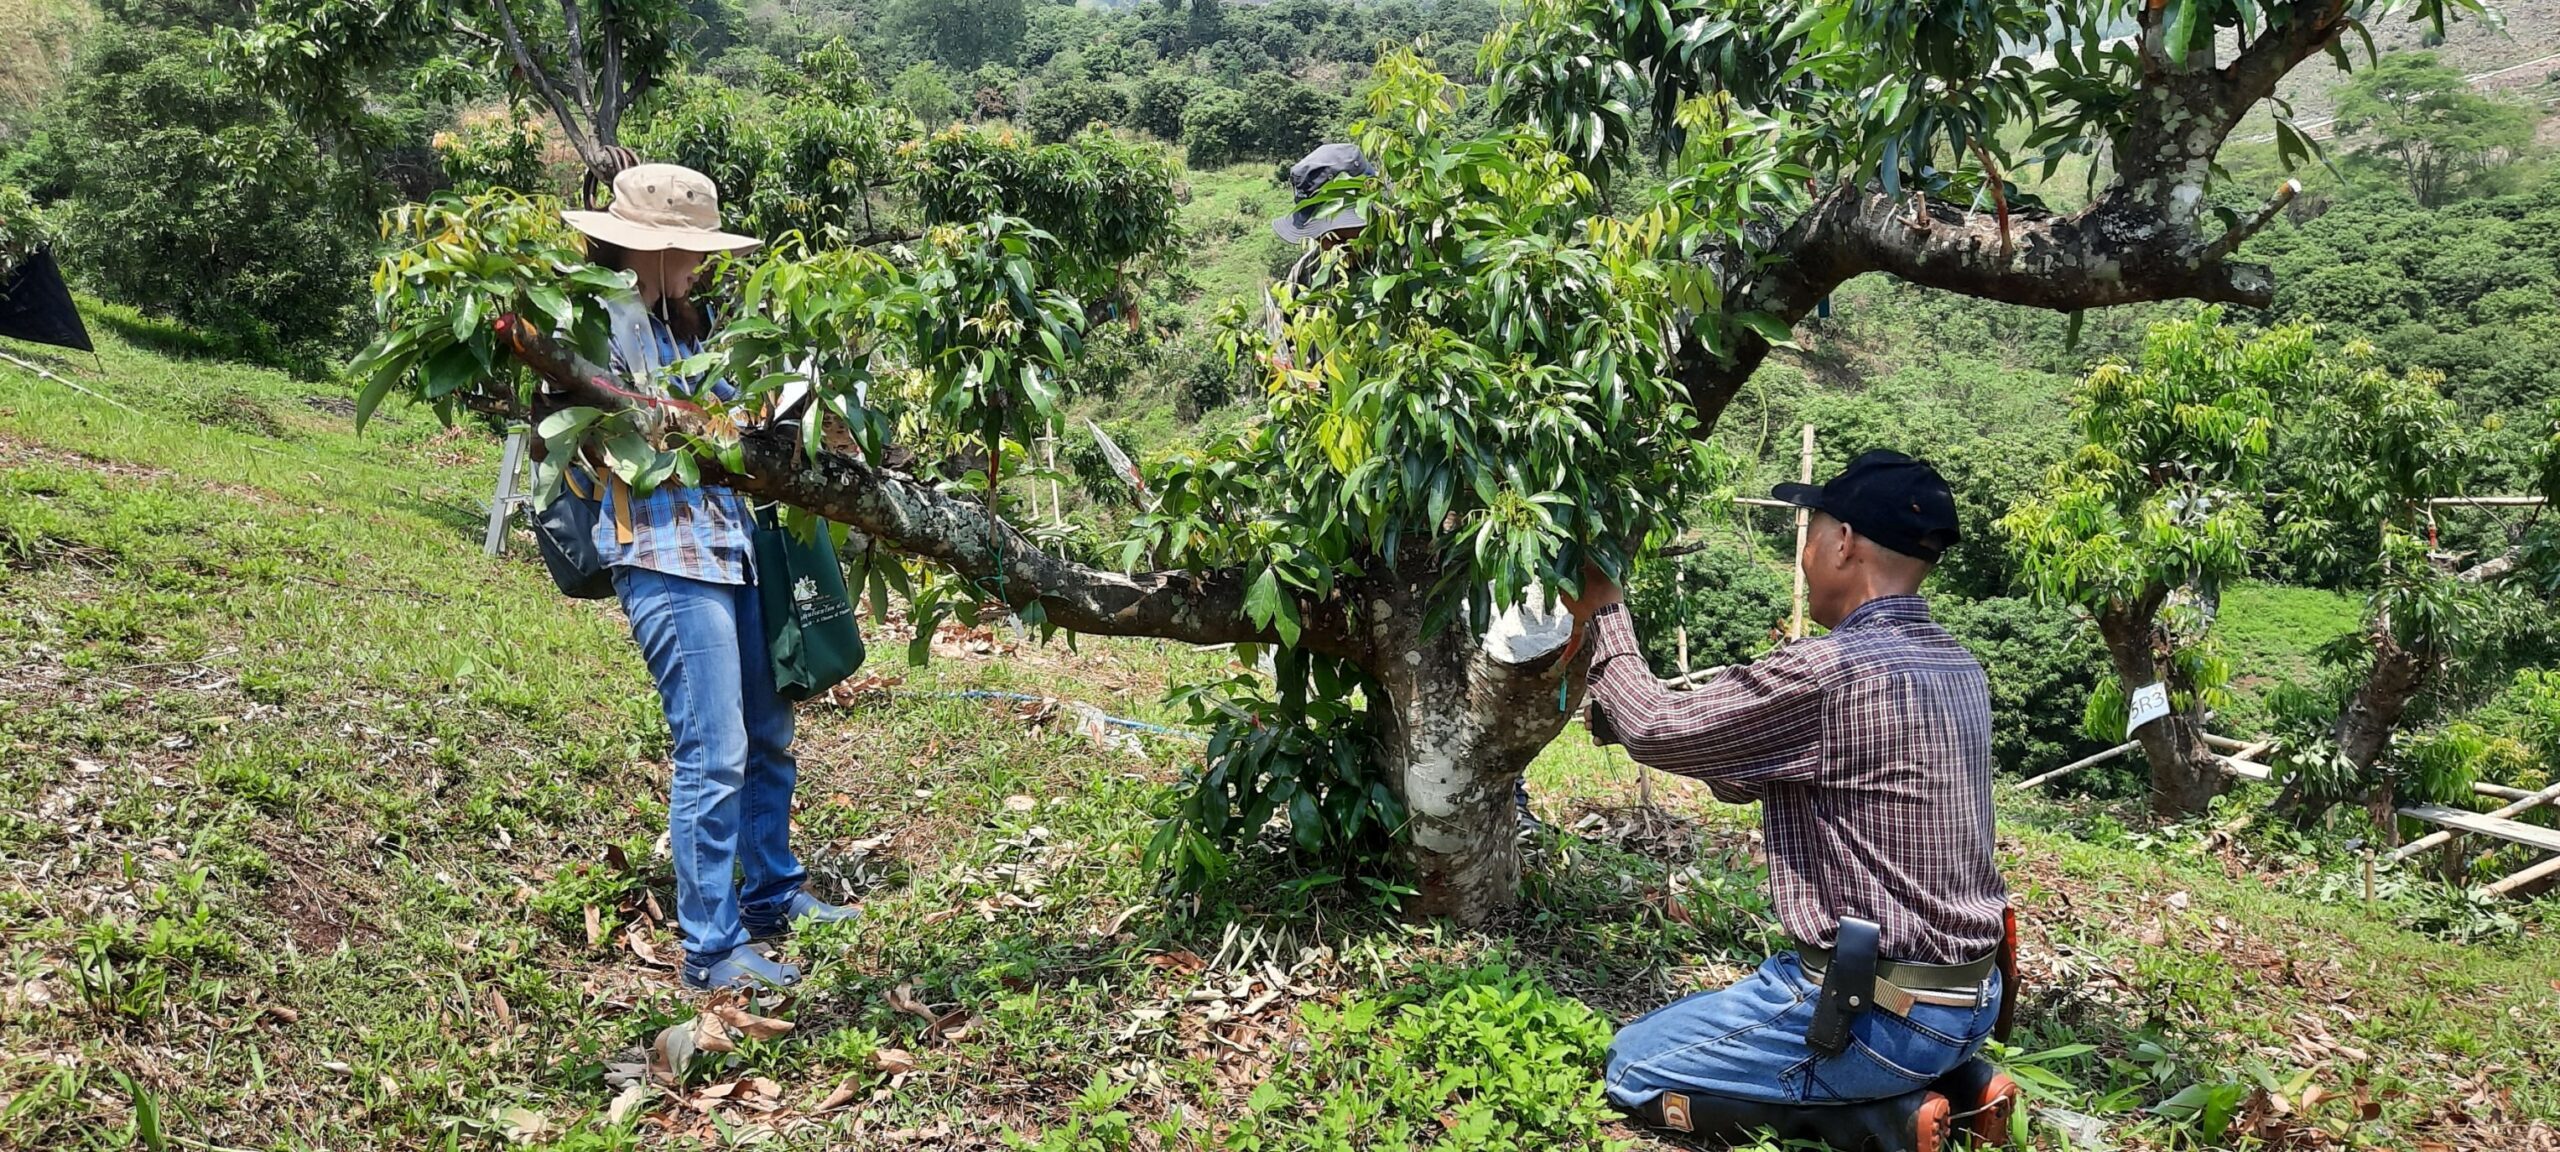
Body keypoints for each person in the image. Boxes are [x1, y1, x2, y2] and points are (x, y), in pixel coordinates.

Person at [1562, 450, 2018, 1152]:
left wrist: (1605, 610)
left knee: (1634, 1065)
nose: (1804, 553)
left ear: (1843, 544)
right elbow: (1772, 771)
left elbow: (1657, 727)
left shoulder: (1829, 671)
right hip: (1971, 1001)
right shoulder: (1959, 666)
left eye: (1812, 532)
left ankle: (1882, 1123)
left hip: (1877, 1013)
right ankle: (1962, 1087)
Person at [558, 163, 857, 992]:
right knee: (713, 751)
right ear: (645, 250)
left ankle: (771, 896)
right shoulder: (592, 325)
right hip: (662, 553)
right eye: (686, 250)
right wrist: (713, 425)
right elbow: (619, 433)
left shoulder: (693, 319)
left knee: (766, 732)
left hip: (732, 547)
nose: (699, 265)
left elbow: (738, 416)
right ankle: (711, 951)